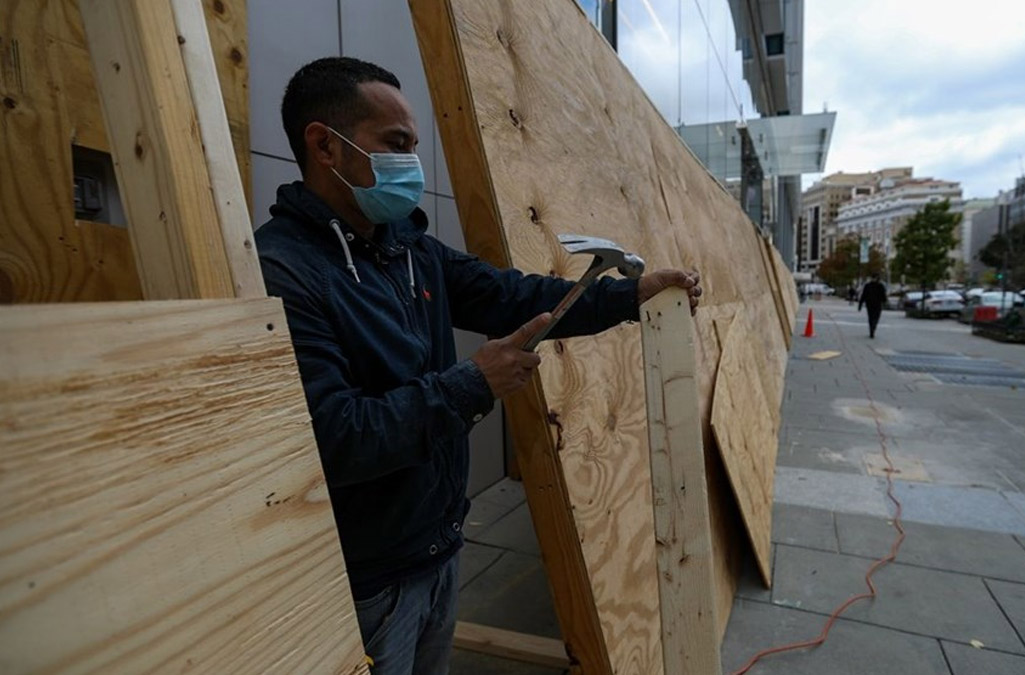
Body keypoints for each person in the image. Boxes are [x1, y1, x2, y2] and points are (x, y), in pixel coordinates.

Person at [255, 57, 701, 675]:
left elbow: (514, 296)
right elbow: (332, 436)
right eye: (397, 144)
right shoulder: (282, 273)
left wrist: (630, 294)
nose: (412, 163)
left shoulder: (410, 251)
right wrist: (472, 384)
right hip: (366, 582)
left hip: (438, 548)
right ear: (325, 144)